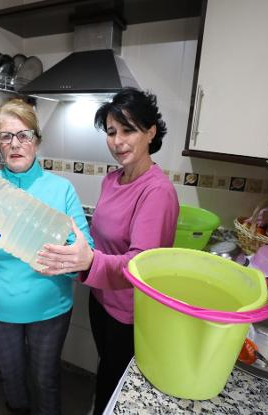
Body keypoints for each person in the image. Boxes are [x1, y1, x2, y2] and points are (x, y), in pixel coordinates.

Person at [37, 88, 179, 415]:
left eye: (128, 130)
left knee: (114, 385)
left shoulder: (157, 192)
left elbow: (139, 266)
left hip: (130, 315)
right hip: (101, 300)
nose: (118, 141)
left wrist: (89, 261)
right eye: (112, 132)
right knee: (107, 369)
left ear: (151, 132)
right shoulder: (112, 180)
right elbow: (102, 238)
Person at [0, 98, 92, 415]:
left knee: (46, 380)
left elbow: (85, 253)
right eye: (5, 136)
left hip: (50, 309)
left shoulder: (61, 189)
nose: (15, 144)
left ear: (37, 140)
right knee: (10, 378)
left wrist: (72, 258)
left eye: (23, 135)